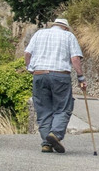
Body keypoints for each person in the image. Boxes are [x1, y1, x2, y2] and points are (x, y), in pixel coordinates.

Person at [24, 17, 87, 154]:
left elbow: (27, 53)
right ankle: (55, 134)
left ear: (54, 25)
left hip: (39, 75)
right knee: (63, 107)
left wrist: (30, 68)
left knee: (43, 108)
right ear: (65, 27)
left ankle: (47, 144)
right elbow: (75, 58)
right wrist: (81, 77)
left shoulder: (39, 34)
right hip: (60, 75)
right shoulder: (68, 36)